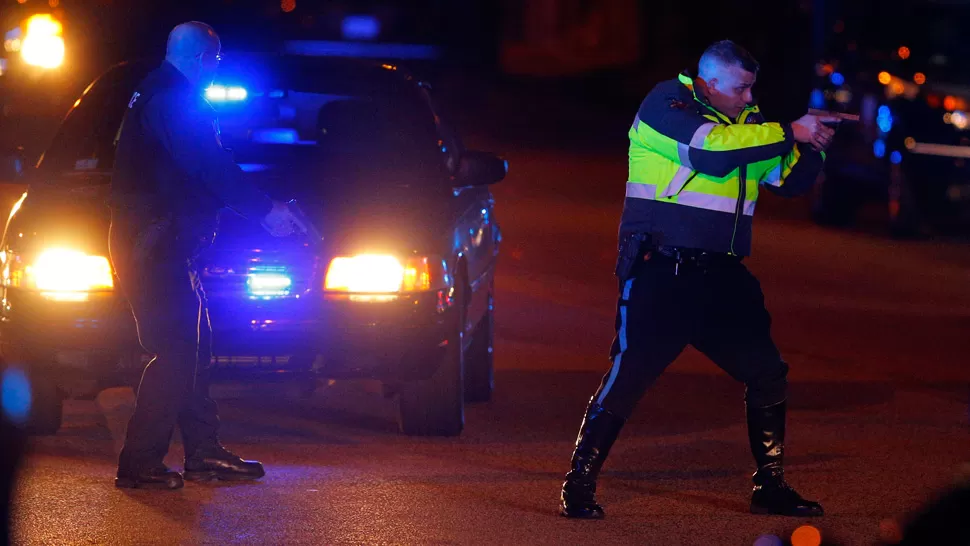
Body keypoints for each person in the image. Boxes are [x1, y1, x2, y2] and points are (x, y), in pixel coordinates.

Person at [559, 40, 837, 519]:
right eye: (742, 88)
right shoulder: (666, 105)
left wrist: (811, 147)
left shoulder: (746, 124)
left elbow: (786, 182)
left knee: (767, 372)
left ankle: (770, 487)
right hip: (662, 270)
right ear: (708, 83)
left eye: (753, 88)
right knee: (629, 377)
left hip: (722, 274)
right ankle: (578, 484)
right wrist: (790, 128)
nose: (750, 99)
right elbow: (710, 153)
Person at [108, 22, 305, 489]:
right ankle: (139, 464)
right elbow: (208, 165)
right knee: (176, 350)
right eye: (215, 63)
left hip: (164, 242)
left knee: (193, 349)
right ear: (202, 58)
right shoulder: (174, 100)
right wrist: (264, 210)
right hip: (154, 244)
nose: (215, 72)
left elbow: (196, 169)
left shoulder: (159, 92)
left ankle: (203, 452)